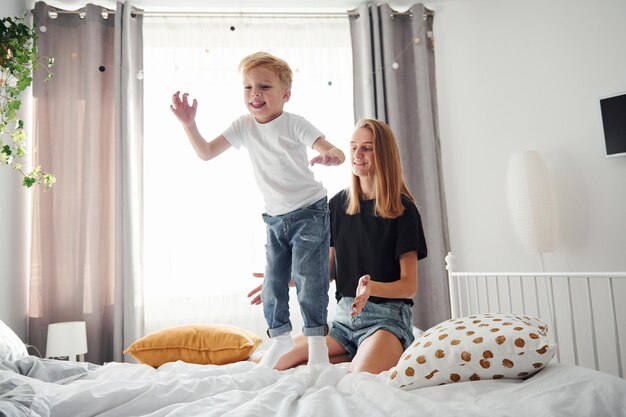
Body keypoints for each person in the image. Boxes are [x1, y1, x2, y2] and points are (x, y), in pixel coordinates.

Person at [170, 51, 346, 369]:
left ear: (285, 95)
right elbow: (206, 152)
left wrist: (331, 156)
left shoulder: (294, 124)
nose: (255, 94)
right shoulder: (243, 126)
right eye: (248, 87)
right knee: (273, 281)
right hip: (275, 218)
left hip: (310, 211)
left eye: (264, 87)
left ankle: (317, 345)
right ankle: (279, 338)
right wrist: (190, 125)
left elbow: (332, 149)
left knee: (309, 277)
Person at [248, 118, 427, 374]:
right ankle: (347, 353)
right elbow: (326, 271)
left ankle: (363, 355)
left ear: (384, 154)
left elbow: (409, 286)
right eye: (353, 147)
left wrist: (371, 287)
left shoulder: (404, 210)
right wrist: (283, 279)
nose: (357, 154)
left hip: (386, 320)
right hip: (343, 320)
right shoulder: (336, 205)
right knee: (271, 364)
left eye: (367, 147)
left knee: (359, 378)